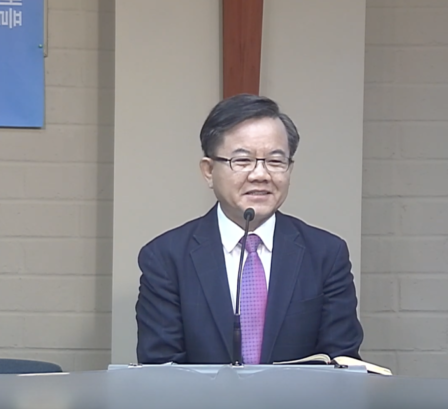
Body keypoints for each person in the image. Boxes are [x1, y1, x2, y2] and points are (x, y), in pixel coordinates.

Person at [135, 93, 363, 365]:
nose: (260, 175)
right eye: (242, 161)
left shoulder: (326, 255)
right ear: (208, 171)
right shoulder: (166, 258)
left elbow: (341, 362)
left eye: (275, 162)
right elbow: (161, 367)